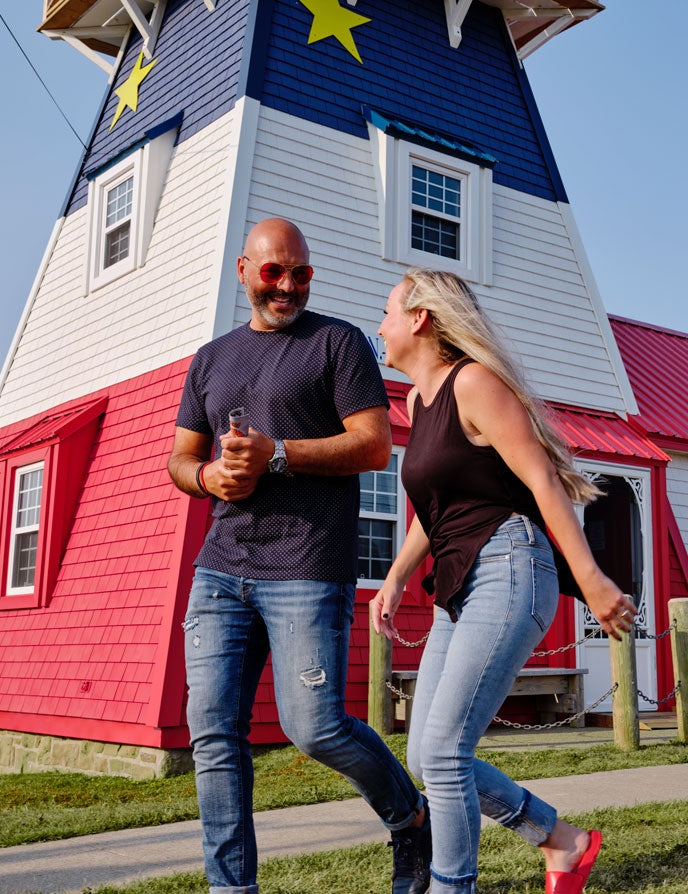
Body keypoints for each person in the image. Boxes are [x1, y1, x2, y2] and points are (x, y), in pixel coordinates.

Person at [168, 218, 432, 894]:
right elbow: (180, 459)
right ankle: (232, 889)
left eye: (301, 273)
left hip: (307, 566)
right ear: (244, 272)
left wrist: (278, 454)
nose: (288, 286)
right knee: (214, 735)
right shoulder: (210, 358)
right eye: (274, 272)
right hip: (221, 569)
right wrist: (209, 480)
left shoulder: (338, 343)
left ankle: (409, 817)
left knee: (313, 729)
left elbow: (374, 445)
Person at [371, 268, 639, 894]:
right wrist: (393, 577)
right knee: (425, 756)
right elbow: (434, 509)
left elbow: (544, 482)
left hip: (509, 566)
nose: (379, 324)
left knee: (441, 753)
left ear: (420, 319)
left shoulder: (476, 384)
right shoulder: (418, 400)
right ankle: (562, 840)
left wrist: (593, 581)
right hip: (458, 585)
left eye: (387, 311)